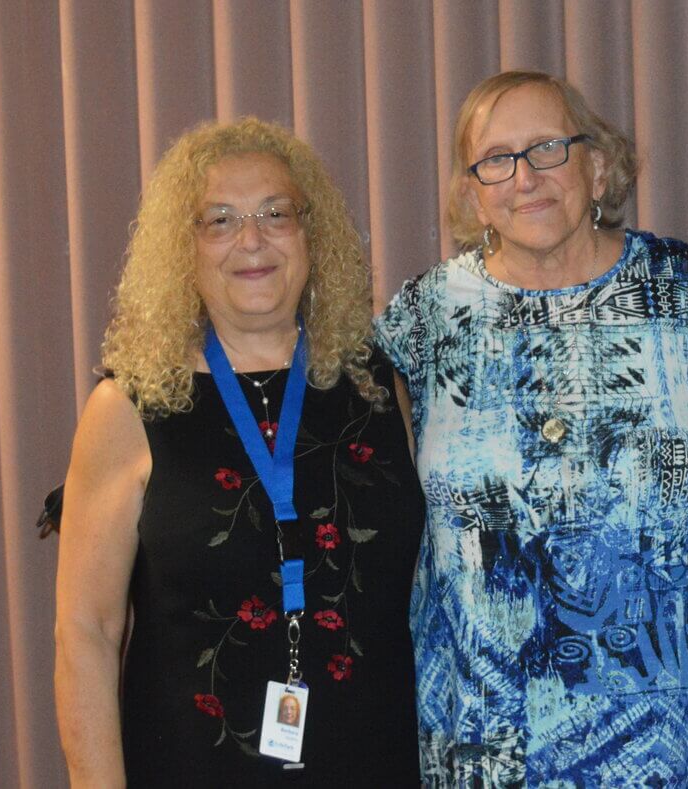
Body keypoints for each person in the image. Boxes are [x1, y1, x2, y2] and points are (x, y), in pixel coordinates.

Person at [375, 71, 688, 786]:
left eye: (549, 147)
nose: (526, 177)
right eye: (498, 159)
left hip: (679, 738)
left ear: (598, 164)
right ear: (471, 192)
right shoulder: (424, 319)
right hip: (487, 736)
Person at [53, 117, 424, 786]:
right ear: (182, 249)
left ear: (311, 233)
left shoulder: (377, 385)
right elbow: (86, 632)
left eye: (275, 213)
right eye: (218, 220)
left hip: (375, 762)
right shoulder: (130, 407)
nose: (251, 240)